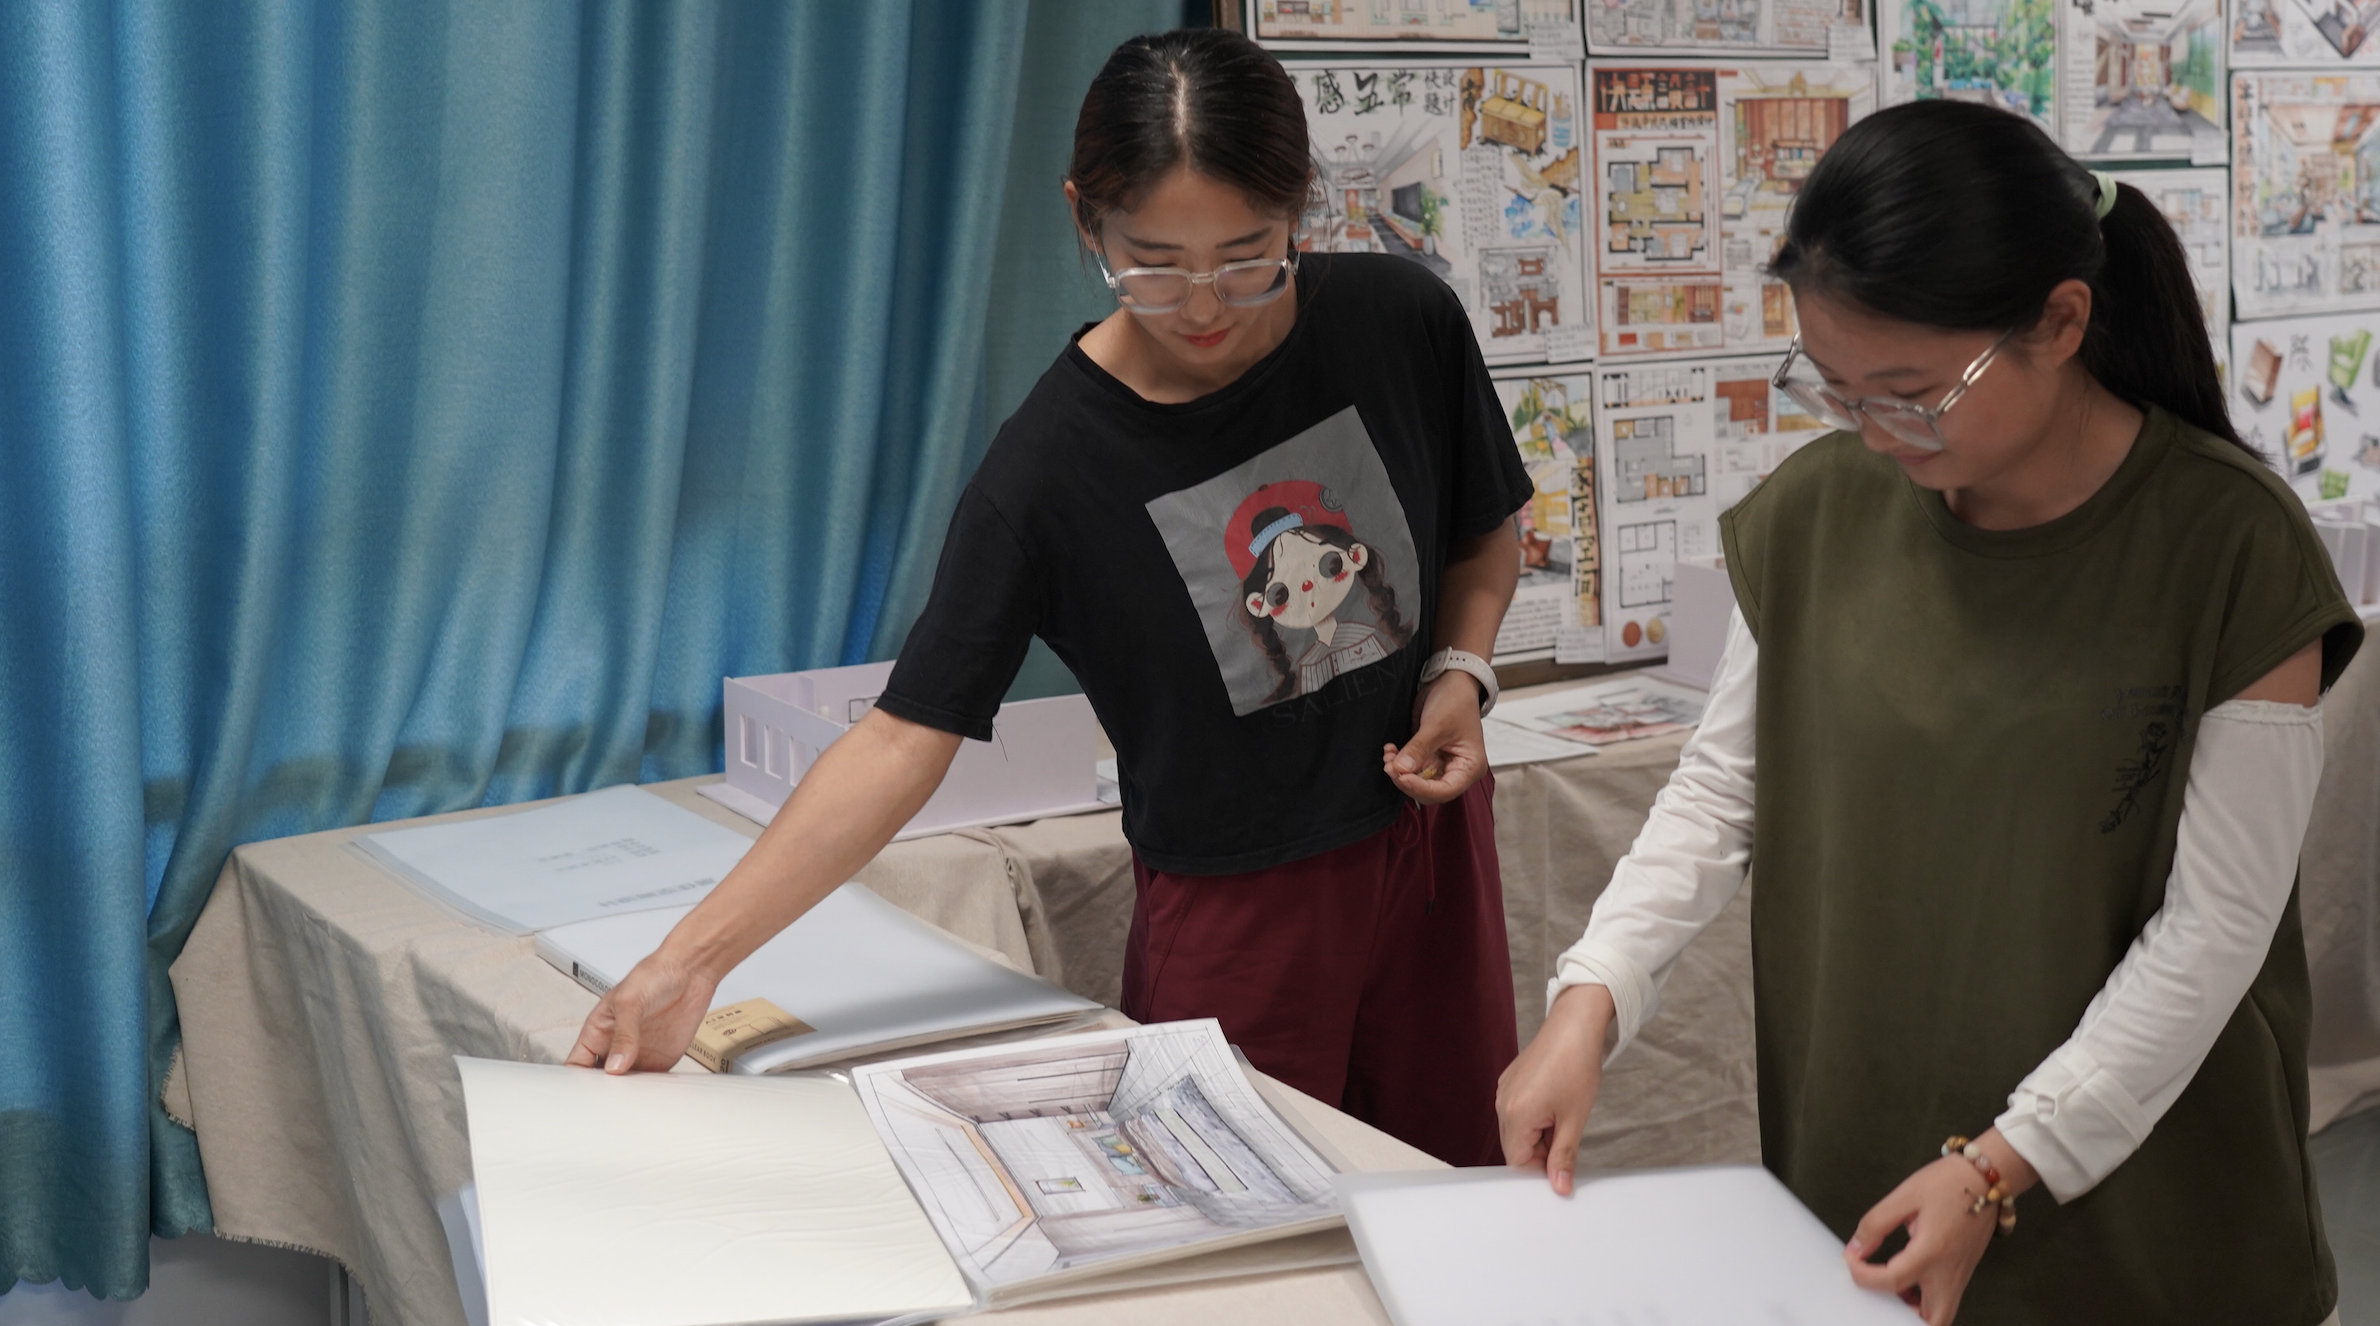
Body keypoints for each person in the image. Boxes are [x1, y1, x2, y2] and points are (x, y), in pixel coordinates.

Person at [567, 27, 1534, 1167]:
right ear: (1085, 220)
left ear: (1300, 211)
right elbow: (903, 738)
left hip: (1430, 857)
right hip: (1237, 909)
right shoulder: (1048, 469)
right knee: (1239, 1207)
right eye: (1153, 263)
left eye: (1247, 255)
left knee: (1459, 1187)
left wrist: (1459, 671)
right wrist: (686, 962)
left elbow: (1483, 531)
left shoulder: (1398, 321)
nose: (1205, 305)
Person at [1494, 100, 2363, 1326]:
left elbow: (2215, 928)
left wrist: (2000, 1166)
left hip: (2141, 1214)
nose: (1872, 431)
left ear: (2059, 322)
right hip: (1869, 1170)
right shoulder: (1817, 514)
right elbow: (1724, 793)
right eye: (1836, 388)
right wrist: (1589, 1000)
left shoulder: (2228, 545)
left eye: (1910, 392)